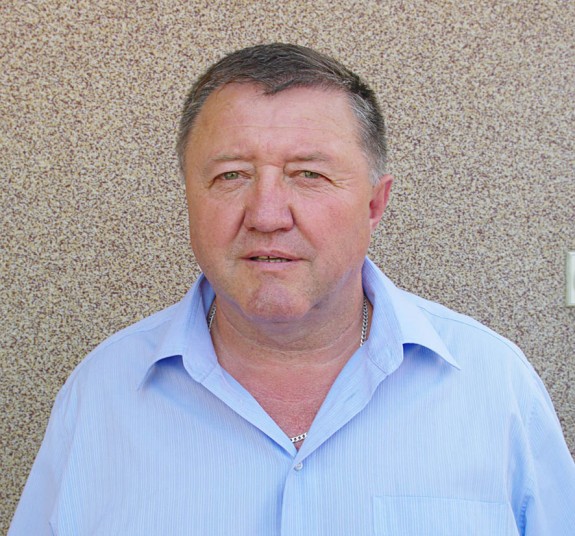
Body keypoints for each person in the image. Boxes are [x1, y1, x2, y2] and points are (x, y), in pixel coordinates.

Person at [9, 43, 575, 535]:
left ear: (375, 204)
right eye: (231, 175)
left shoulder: (494, 386)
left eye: (309, 174)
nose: (267, 214)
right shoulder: (100, 394)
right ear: (189, 197)